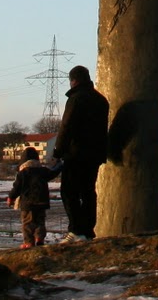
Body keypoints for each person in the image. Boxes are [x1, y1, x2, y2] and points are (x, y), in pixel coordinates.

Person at [51, 64, 109, 240]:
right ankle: (87, 231)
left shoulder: (76, 99)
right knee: (88, 191)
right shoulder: (101, 100)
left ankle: (76, 230)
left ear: (73, 81)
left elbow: (67, 126)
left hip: (76, 154)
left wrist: (58, 150)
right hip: (95, 155)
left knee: (69, 191)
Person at [6, 146, 61, 248]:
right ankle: (39, 238)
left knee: (27, 224)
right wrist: (59, 164)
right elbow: (53, 172)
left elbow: (17, 187)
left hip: (28, 203)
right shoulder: (43, 171)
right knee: (40, 222)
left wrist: (11, 198)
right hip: (42, 202)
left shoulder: (23, 173)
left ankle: (28, 242)